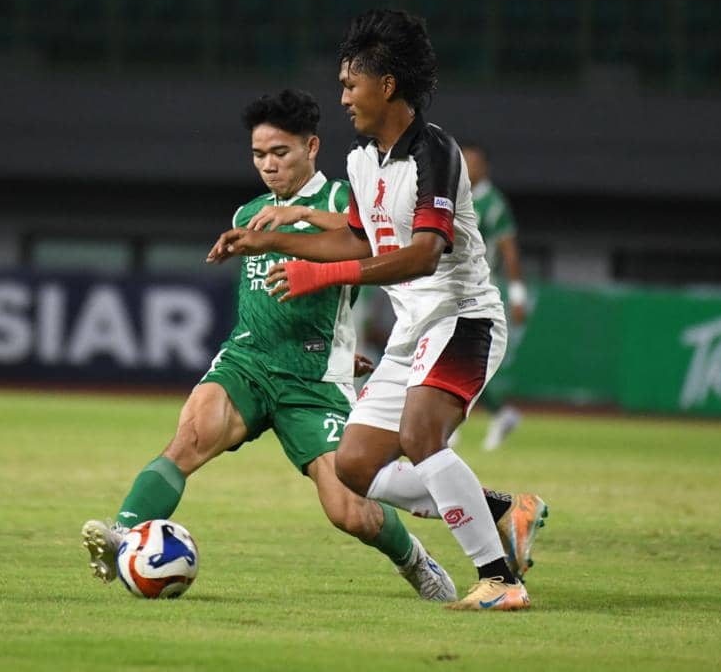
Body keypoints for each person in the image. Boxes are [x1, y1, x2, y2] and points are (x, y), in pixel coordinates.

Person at [208, 10, 547, 611]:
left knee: (422, 435)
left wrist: (322, 274)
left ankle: (500, 580)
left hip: (464, 316)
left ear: (386, 85)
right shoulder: (365, 160)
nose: (341, 98)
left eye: (349, 84)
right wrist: (272, 239)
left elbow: (421, 255)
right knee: (354, 466)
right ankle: (501, 510)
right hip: (414, 330)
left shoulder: (435, 151)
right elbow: (360, 241)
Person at [82, 88, 457, 602]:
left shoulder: (342, 201)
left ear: (311, 147)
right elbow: (265, 296)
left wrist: (338, 344)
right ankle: (122, 535)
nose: (269, 166)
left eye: (280, 153)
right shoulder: (249, 212)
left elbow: (376, 246)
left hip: (313, 380)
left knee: (349, 511)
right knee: (189, 438)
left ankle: (414, 559)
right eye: (259, 155)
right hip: (249, 362)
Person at [458, 143, 528, 451]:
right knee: (457, 359)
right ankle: (500, 413)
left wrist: (517, 293)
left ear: (484, 167)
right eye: (462, 160)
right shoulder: (454, 194)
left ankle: (447, 426)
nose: (466, 166)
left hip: (482, 290)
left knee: (468, 360)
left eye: (472, 162)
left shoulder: (493, 202)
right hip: (453, 288)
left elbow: (509, 250)